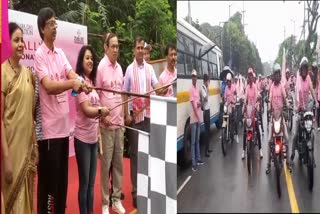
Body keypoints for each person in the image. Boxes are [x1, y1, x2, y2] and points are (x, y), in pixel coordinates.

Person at [34, 7, 89, 214]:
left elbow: (70, 72)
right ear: (42, 29)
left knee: (61, 184)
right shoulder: (40, 55)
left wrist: (81, 81)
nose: (55, 27)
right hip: (48, 133)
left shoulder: (60, 53)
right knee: (49, 187)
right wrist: (72, 84)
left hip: (63, 131)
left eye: (56, 23)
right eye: (51, 24)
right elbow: (48, 85)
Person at [123, 36, 166, 208]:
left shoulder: (149, 69)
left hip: (148, 116)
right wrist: (126, 114)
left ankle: (147, 188)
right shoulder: (128, 70)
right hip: (134, 118)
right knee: (135, 156)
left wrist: (162, 90)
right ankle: (135, 191)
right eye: (138, 47)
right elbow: (124, 93)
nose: (141, 50)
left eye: (143, 47)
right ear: (134, 50)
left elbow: (156, 86)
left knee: (147, 153)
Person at [1, 22, 38, 214]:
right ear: (8, 43)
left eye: (22, 40)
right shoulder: (2, 73)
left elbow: (30, 115)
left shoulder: (28, 75)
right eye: (16, 40)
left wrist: (35, 146)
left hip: (26, 150)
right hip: (10, 150)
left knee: (27, 201)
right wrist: (6, 159)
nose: (21, 44)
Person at [74, 45, 109, 214]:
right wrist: (102, 111)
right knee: (85, 183)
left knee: (91, 183)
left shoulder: (92, 83)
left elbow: (96, 107)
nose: (90, 61)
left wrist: (103, 112)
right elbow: (87, 111)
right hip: (82, 140)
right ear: (81, 61)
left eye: (91, 58)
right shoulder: (79, 82)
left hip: (94, 139)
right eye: (87, 58)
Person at [96, 33, 128, 214]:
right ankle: (105, 203)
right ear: (105, 47)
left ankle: (116, 199)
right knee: (106, 164)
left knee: (118, 164)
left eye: (117, 46)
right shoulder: (101, 67)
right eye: (113, 46)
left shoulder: (120, 68)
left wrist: (123, 117)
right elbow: (96, 96)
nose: (116, 49)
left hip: (119, 125)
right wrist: (101, 116)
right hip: (106, 126)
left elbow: (122, 93)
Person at [290, 57, 318, 164]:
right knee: (295, 134)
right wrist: (297, 106)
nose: (304, 71)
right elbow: (297, 94)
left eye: (306, 69)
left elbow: (311, 89)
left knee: (312, 133)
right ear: (300, 69)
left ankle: (312, 155)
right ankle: (292, 155)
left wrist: (316, 102)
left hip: (306, 110)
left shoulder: (308, 79)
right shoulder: (298, 80)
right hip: (299, 110)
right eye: (303, 69)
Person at [265, 64, 289, 174]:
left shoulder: (281, 86)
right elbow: (269, 98)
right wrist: (269, 105)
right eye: (276, 74)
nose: (277, 76)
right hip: (273, 118)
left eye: (278, 74)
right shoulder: (271, 87)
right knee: (270, 140)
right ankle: (268, 164)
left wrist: (288, 104)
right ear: (273, 76)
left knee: (287, 139)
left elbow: (285, 97)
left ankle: (288, 162)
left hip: (281, 117)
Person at [242, 68, 263, 159]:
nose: (250, 77)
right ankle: (243, 151)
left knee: (257, 129)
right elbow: (245, 98)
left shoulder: (255, 86)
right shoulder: (246, 87)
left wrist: (257, 103)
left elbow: (257, 95)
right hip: (248, 111)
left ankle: (260, 149)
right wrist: (243, 107)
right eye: (249, 76)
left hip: (254, 110)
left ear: (252, 77)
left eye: (251, 76)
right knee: (244, 130)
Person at [189, 69, 204, 171]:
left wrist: (200, 103)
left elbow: (200, 102)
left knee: (197, 140)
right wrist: (198, 118)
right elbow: (193, 106)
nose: (194, 78)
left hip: (199, 117)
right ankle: (193, 163)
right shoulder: (190, 89)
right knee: (193, 141)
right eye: (193, 76)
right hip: (194, 119)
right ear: (191, 78)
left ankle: (198, 159)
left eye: (195, 76)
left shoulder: (198, 89)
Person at [224, 73, 239, 143]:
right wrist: (224, 101)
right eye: (227, 81)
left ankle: (236, 133)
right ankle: (226, 131)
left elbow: (236, 95)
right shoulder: (226, 88)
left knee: (235, 120)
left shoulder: (234, 87)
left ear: (230, 81)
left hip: (233, 106)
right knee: (225, 118)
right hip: (228, 106)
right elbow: (225, 97)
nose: (228, 83)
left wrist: (234, 101)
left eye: (229, 81)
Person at [200, 73, 212, 157]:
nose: (208, 82)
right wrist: (207, 88)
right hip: (205, 111)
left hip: (208, 110)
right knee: (206, 132)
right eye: (207, 81)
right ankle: (205, 152)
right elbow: (206, 98)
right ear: (204, 81)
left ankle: (208, 148)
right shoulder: (202, 88)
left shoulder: (205, 88)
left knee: (209, 130)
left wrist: (208, 88)